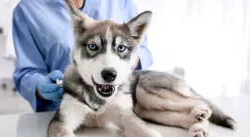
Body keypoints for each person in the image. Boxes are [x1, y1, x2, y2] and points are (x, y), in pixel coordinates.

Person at [13, 0, 153, 112]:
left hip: (117, 110)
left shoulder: (120, 2)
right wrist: (41, 87)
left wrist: (123, 58)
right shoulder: (28, 10)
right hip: (66, 110)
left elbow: (143, 50)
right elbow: (27, 72)